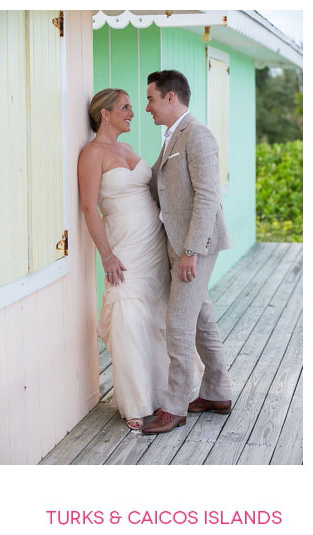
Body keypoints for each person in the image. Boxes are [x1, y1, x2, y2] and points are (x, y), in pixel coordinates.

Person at [142, 70, 233, 434]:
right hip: (178, 242)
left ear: (170, 98)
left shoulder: (197, 134)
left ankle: (175, 406)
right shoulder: (170, 137)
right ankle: (217, 392)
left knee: (178, 323)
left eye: (150, 98)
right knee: (199, 318)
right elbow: (159, 187)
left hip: (196, 244)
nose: (147, 106)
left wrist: (191, 251)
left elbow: (208, 196)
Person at [78, 89, 172, 429]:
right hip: (125, 246)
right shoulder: (92, 154)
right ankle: (136, 402)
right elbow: (90, 207)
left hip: (155, 245)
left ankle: (163, 394)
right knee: (128, 316)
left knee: (156, 316)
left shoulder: (128, 149)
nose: (133, 112)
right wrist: (107, 255)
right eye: (126, 107)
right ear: (105, 114)